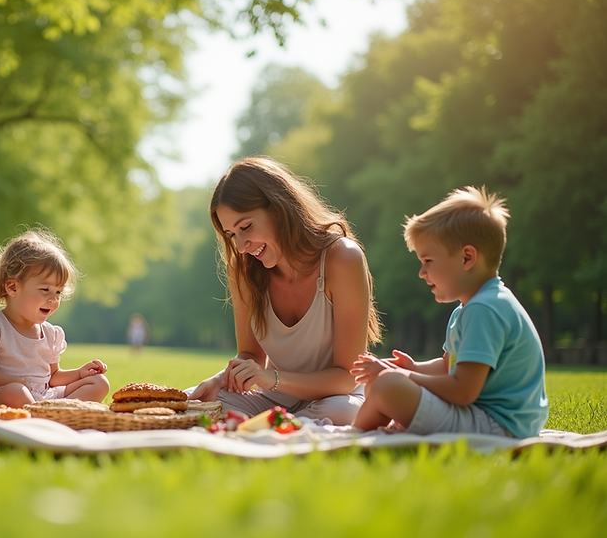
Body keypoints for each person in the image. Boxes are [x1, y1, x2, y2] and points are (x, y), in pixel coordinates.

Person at [189, 157, 381, 425]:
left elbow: (346, 378)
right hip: (273, 399)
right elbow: (251, 355)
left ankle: (268, 425)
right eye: (232, 234)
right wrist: (222, 379)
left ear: (279, 209)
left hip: (336, 398)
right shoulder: (243, 269)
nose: (242, 245)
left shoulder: (342, 259)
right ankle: (281, 424)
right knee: (191, 401)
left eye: (246, 227)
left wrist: (273, 379)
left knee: (344, 412)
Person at [350, 187, 548, 438]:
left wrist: (401, 375)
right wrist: (414, 367)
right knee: (379, 384)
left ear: (467, 258)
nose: (422, 272)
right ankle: (377, 428)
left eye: (428, 261)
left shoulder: (484, 310)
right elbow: (448, 367)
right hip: (482, 417)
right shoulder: (469, 308)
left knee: (388, 384)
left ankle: (353, 437)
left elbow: (463, 390)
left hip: (497, 425)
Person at [0, 228, 109, 408]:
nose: (53, 299)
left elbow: (53, 377)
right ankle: (47, 416)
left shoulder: (50, 334)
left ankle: (50, 416)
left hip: (41, 397)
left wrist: (80, 373)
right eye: (45, 290)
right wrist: (17, 382)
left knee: (99, 383)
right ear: (13, 287)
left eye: (58, 292)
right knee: (15, 392)